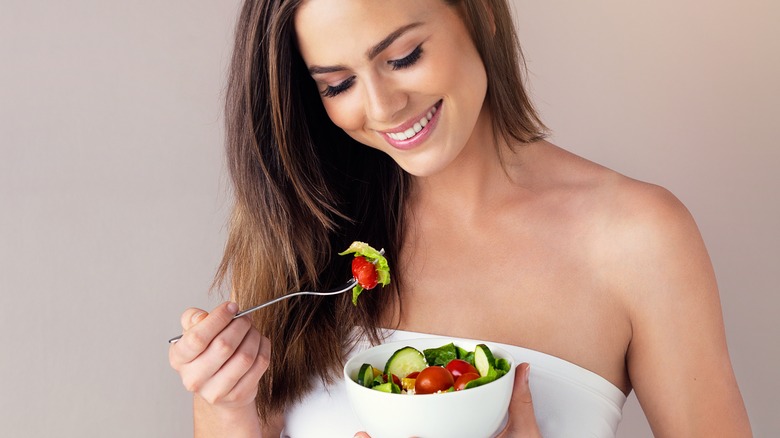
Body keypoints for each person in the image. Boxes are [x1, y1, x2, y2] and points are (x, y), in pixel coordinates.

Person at [168, 0, 752, 436]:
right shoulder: (307, 231)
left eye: (403, 57)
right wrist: (222, 403)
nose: (381, 107)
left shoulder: (638, 237)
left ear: (480, 15)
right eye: (338, 84)